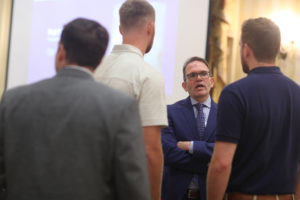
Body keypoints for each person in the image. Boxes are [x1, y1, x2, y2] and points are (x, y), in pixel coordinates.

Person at [0, 18, 151, 200]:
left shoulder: (12, 100)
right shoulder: (121, 107)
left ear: (61, 51)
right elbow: (133, 187)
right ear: (99, 60)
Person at [207, 17, 300, 200]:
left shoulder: (234, 94)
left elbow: (221, 164)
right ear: (275, 49)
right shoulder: (298, 93)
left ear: (246, 49)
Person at [94, 1, 167, 199]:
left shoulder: (94, 68)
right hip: (122, 188)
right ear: (150, 28)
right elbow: (150, 150)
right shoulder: (148, 76)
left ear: (120, 28)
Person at [161, 56, 217, 200]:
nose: (199, 78)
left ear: (211, 82)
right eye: (192, 75)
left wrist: (192, 146)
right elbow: (170, 154)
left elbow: (230, 152)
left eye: (203, 73)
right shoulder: (169, 112)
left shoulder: (226, 114)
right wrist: (210, 164)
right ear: (184, 86)